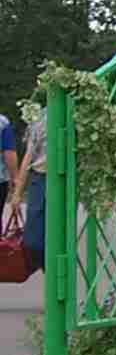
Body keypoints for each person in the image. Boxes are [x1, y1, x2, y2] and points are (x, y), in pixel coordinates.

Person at [5, 104, 47, 277]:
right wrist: (17, 194)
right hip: (39, 178)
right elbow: (28, 157)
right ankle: (48, 269)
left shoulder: (76, 115)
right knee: (32, 241)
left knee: (58, 238)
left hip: (65, 180)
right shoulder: (41, 118)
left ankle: (56, 279)